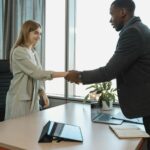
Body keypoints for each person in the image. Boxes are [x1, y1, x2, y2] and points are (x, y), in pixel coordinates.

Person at [65, 0, 150, 149]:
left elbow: (109, 71)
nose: (110, 20)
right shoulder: (141, 28)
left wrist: (79, 76)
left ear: (123, 12)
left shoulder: (133, 33)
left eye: (112, 14)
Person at [5, 20, 68, 120]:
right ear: (26, 32)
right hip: (19, 101)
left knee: (32, 130)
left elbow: (37, 76)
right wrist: (66, 74)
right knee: (17, 132)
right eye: (36, 33)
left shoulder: (33, 52)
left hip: (33, 99)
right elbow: (37, 73)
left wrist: (42, 92)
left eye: (40, 34)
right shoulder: (18, 52)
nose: (39, 37)